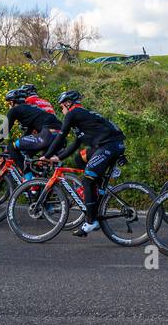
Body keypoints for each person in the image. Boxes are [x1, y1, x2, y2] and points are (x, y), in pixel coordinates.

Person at [43, 90, 126, 237]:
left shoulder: (73, 113)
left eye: (62, 106)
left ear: (68, 103)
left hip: (108, 147)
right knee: (79, 159)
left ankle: (90, 221)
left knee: (87, 180)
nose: (61, 110)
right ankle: (98, 183)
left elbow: (61, 137)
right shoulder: (81, 116)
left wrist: (47, 155)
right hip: (109, 145)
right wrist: (59, 157)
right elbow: (75, 143)